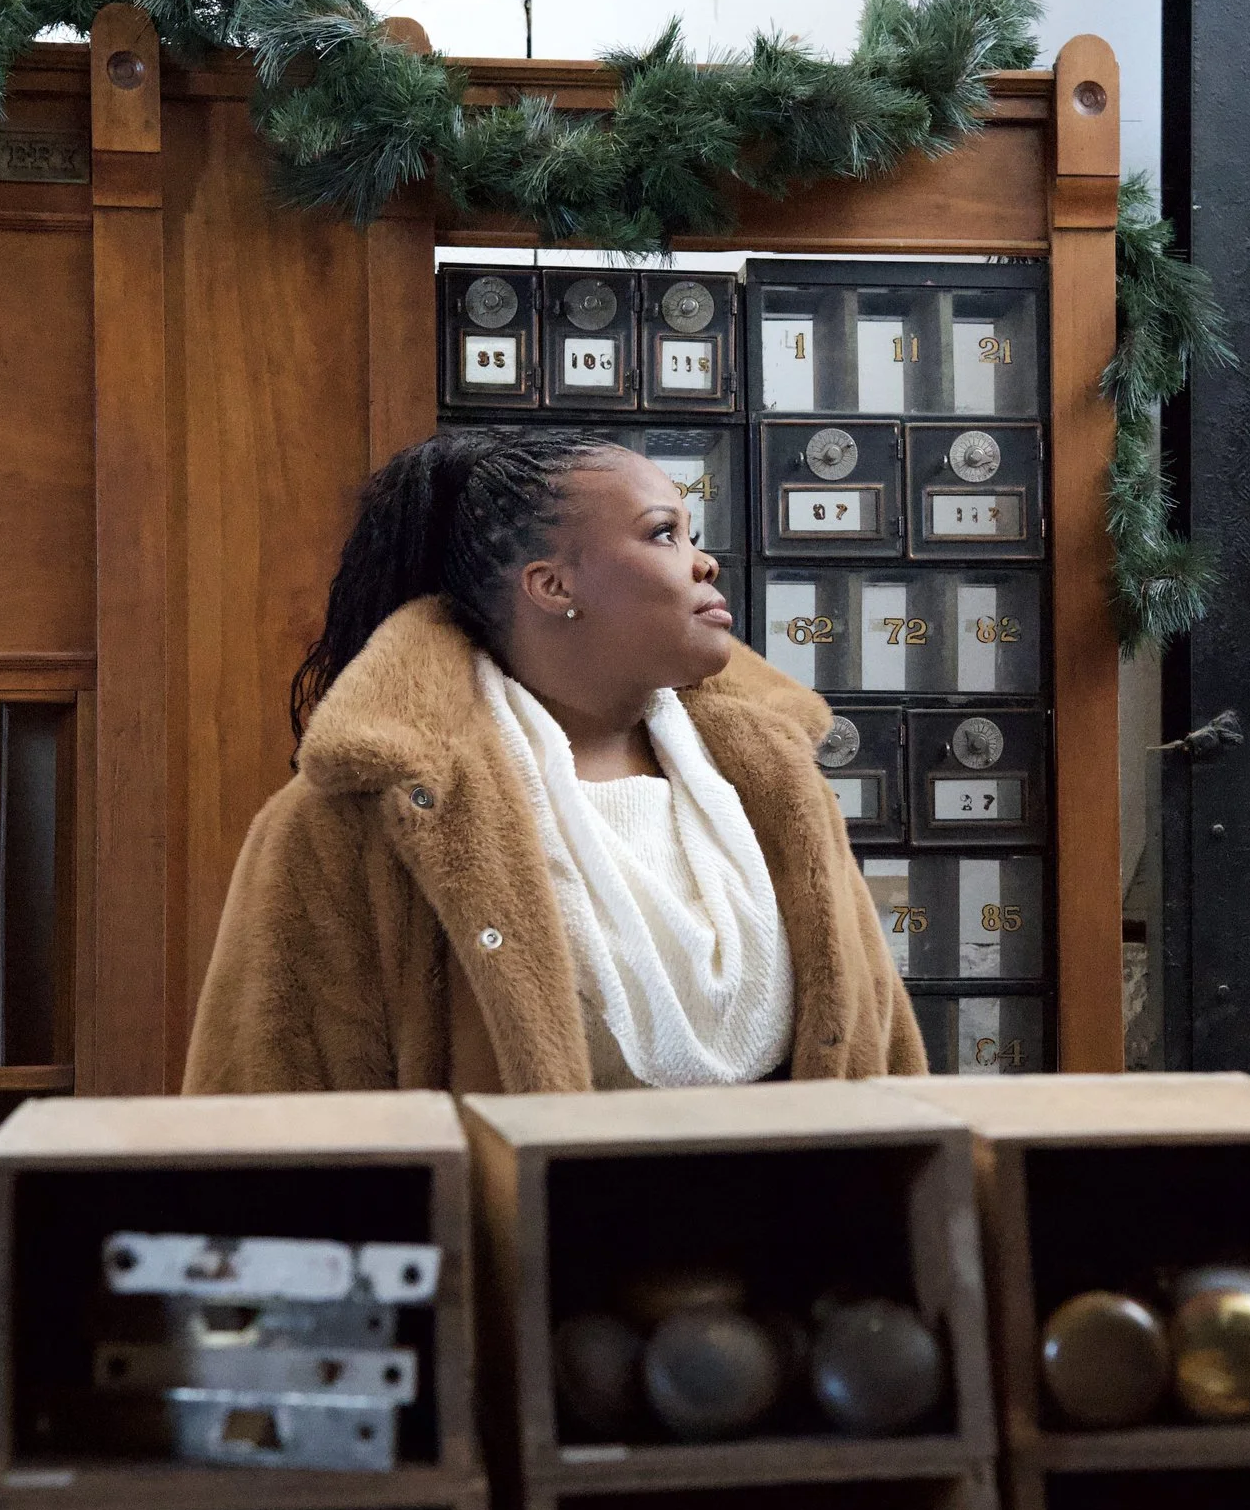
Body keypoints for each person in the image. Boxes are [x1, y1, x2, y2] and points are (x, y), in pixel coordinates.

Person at [184, 429, 924, 1094]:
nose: (706, 563)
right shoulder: (361, 817)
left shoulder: (776, 781)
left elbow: (886, 1067)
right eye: (663, 533)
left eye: (691, 534)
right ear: (551, 585)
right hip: (507, 1213)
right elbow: (273, 1114)